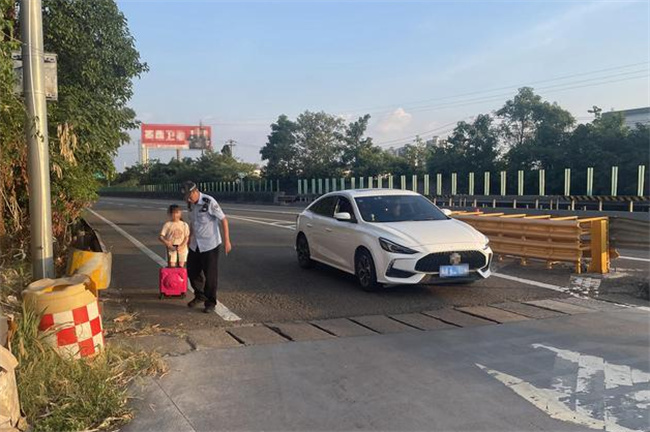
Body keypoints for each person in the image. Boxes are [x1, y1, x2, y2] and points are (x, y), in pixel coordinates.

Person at [182, 181, 232, 313]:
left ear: (195, 191)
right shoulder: (190, 204)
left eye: (189, 196)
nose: (188, 200)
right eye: (186, 197)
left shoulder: (209, 201)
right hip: (195, 244)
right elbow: (193, 222)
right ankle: (200, 295)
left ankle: (210, 302)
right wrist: (189, 237)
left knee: (210, 275)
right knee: (192, 271)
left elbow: (223, 219)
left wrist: (227, 240)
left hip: (210, 244)